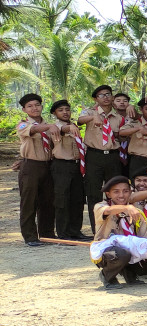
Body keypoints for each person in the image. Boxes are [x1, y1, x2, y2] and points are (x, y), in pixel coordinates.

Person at [90, 176, 147, 289]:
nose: (121, 195)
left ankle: (129, 271)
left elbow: (145, 236)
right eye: (116, 192)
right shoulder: (101, 206)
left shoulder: (136, 210)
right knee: (122, 253)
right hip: (107, 251)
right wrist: (126, 208)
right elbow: (108, 211)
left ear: (130, 192)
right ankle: (107, 276)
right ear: (108, 194)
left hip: (131, 248)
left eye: (125, 191)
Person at [77, 85, 126, 222]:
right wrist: (94, 117)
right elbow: (80, 121)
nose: (105, 97)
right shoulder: (89, 112)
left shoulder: (118, 117)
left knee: (115, 191)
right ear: (95, 99)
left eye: (108, 94)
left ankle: (116, 225)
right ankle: (97, 227)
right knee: (94, 193)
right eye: (101, 95)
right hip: (94, 156)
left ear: (112, 97)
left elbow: (122, 136)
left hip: (112, 156)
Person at [16, 93, 57, 246]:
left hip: (48, 165)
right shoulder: (23, 124)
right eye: (30, 106)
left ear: (41, 106)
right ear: (24, 110)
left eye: (37, 105)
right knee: (29, 202)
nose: (34, 108)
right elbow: (33, 130)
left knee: (48, 201)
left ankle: (47, 234)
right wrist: (49, 127)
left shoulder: (49, 125)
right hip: (31, 166)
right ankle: (30, 236)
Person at [46, 99, 88, 240]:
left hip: (76, 165)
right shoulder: (56, 126)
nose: (65, 112)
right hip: (61, 166)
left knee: (77, 199)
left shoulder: (73, 125)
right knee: (62, 199)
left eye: (67, 109)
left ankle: (75, 231)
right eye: (61, 110)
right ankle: (63, 233)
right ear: (54, 113)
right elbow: (62, 130)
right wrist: (68, 128)